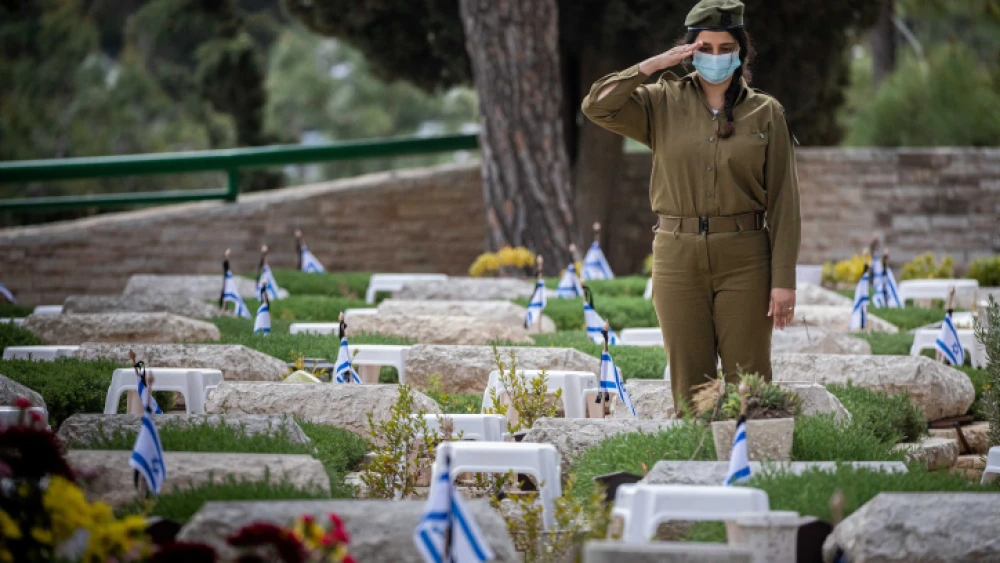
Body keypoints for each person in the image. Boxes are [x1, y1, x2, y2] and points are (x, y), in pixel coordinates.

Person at [581, 0, 801, 408]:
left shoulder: (766, 112)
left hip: (745, 259)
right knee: (691, 389)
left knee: (750, 385)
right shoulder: (660, 103)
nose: (715, 57)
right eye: (704, 47)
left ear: (740, 53)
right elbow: (597, 105)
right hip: (677, 257)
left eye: (724, 48)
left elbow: (785, 202)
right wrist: (651, 65)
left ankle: (754, 464)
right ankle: (699, 467)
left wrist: (783, 279)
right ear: (688, 52)